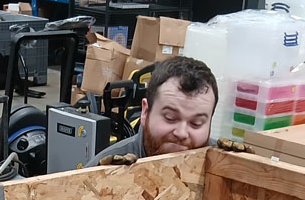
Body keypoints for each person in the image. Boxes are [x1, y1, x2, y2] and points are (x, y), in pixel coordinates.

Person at [85, 55, 219, 167]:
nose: (182, 133)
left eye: (196, 123)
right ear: (145, 111)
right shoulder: (98, 174)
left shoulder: (224, 163)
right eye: (170, 117)